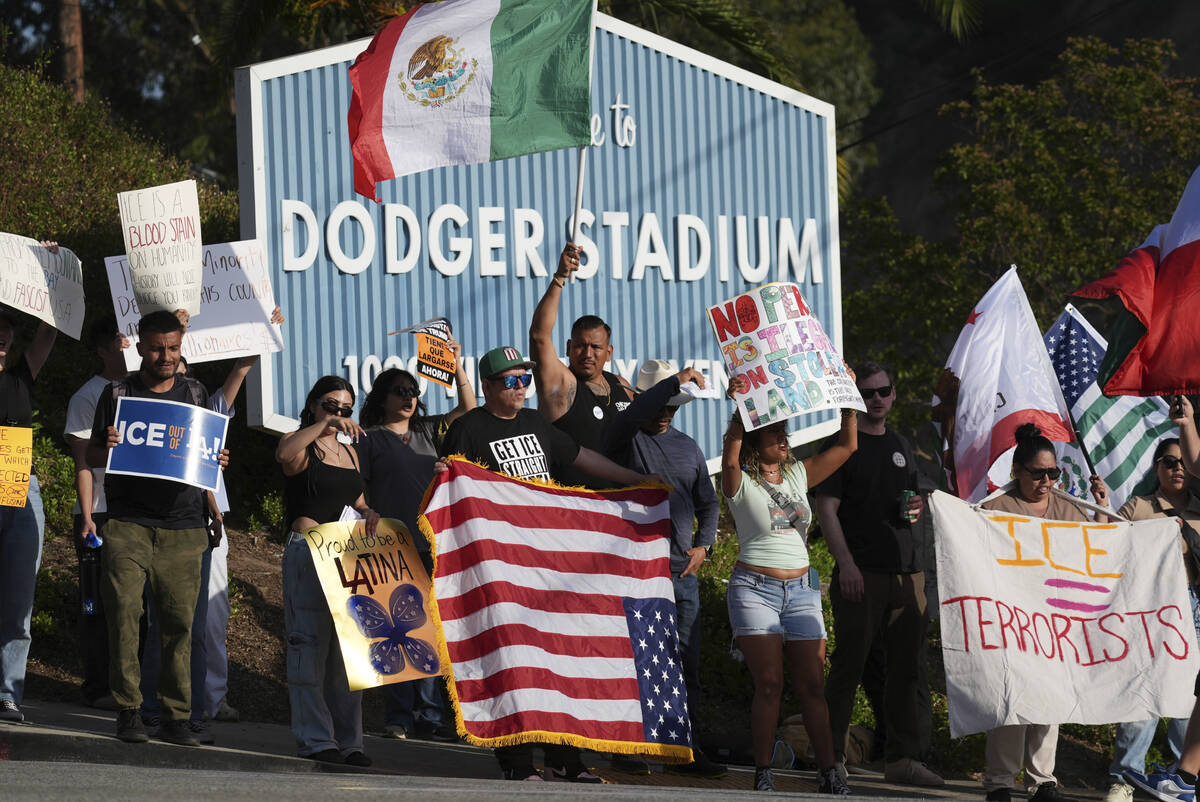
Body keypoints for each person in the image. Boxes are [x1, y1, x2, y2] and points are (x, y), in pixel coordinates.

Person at [438, 345, 656, 782]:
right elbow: (450, 486)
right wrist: (441, 472)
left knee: (558, 656)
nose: (521, 388)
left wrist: (631, 479)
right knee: (514, 660)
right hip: (498, 565)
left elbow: (577, 457)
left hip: (547, 561)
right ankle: (518, 764)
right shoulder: (469, 428)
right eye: (511, 381)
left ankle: (564, 759)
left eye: (525, 379)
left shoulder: (537, 422)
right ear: (487, 386)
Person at [87, 310, 227, 746]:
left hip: (185, 526)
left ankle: (176, 717)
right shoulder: (118, 392)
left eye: (172, 348)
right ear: (141, 347)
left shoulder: (196, 392)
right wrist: (104, 444)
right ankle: (129, 711)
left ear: (180, 346)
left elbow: (204, 456)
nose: (165, 356)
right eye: (156, 348)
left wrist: (213, 482)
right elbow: (91, 455)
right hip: (127, 523)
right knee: (126, 617)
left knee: (180, 625)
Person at [722, 373, 858, 794]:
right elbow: (729, 460)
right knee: (770, 683)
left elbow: (847, 446)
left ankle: (829, 771)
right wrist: (741, 413)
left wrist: (848, 399)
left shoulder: (798, 473)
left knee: (813, 685)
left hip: (802, 591)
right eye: (775, 434)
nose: (784, 439)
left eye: (785, 433)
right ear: (755, 442)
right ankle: (764, 771)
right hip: (754, 589)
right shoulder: (739, 481)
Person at [812, 362, 943, 786]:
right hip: (861, 572)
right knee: (849, 667)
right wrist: (845, 564)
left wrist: (916, 510)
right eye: (867, 393)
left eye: (883, 391)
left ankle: (903, 759)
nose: (877, 400)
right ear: (855, 398)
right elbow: (826, 510)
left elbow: (909, 504)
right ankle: (830, 758)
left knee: (907, 670)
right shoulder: (843, 446)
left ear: (893, 391)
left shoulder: (902, 444)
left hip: (907, 574)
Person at [600, 360, 726, 779]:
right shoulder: (625, 437)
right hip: (635, 567)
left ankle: (682, 746)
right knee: (634, 657)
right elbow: (634, 414)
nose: (665, 413)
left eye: (673, 406)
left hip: (681, 572)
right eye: (661, 404)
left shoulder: (689, 447)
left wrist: (704, 546)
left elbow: (708, 503)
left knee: (684, 658)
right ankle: (628, 744)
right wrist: (673, 383)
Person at [979, 422, 1110, 802]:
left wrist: (1101, 507)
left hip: (1054, 622)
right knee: (1010, 697)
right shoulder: (995, 508)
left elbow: (1094, 550)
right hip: (1011, 619)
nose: (1047, 481)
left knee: (1049, 696)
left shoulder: (1067, 507)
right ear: (1017, 472)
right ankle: (1001, 781)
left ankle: (1042, 779)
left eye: (1053, 473)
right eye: (1038, 473)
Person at [357, 344, 474, 742]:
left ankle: (430, 715)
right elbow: (357, 492)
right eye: (400, 391)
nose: (409, 397)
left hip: (431, 543)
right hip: (389, 546)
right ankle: (399, 717)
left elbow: (469, 408)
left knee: (432, 630)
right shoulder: (368, 439)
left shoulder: (428, 431)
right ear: (382, 399)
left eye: (413, 392)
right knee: (397, 631)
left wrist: (456, 367)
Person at [276, 375, 378, 765]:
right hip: (309, 551)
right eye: (331, 406)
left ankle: (350, 741)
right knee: (309, 647)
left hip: (347, 555)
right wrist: (324, 426)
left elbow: (360, 500)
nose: (339, 415)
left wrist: (371, 512)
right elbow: (284, 455)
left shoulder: (350, 454)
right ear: (315, 405)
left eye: (346, 410)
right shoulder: (304, 444)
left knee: (348, 655)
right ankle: (317, 739)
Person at [1106, 437, 1200, 802]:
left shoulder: (1199, 508)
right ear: (1156, 467)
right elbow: (1106, 543)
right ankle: (1124, 779)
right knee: (1145, 689)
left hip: (1194, 608)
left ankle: (1184, 778)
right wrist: (1102, 508)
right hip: (1151, 610)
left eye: (1181, 462)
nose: (1176, 468)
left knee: (1190, 697)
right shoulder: (1141, 507)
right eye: (1167, 461)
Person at [528, 242, 634, 488]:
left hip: (622, 509)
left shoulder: (623, 386)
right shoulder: (562, 385)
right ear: (567, 347)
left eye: (596, 348)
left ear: (609, 353)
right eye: (579, 346)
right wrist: (560, 277)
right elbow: (539, 336)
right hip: (576, 512)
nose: (587, 353)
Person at [63, 314, 128, 712]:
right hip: (99, 512)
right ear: (102, 351)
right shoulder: (88, 395)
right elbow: (82, 460)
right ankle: (97, 685)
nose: (125, 352)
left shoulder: (145, 390)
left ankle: (133, 687)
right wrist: (87, 515)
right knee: (96, 604)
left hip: (138, 511)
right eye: (118, 346)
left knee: (133, 605)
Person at [0, 290, 57, 723]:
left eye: (7, 329)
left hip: (20, 486)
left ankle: (7, 692)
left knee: (19, 601)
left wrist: (49, 275)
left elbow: (49, 333)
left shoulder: (21, 374)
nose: (2, 335)